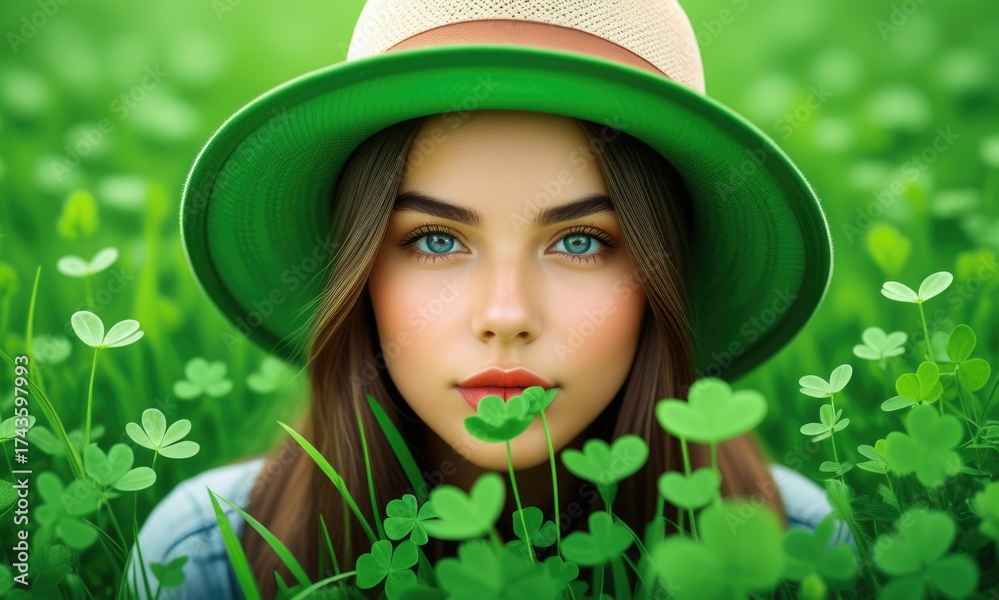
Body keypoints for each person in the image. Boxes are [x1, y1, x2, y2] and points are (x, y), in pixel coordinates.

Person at [128, 0, 847, 598]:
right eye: (437, 240)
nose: (506, 316)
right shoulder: (205, 558)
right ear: (358, 271)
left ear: (664, 279)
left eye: (581, 241)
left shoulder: (797, 543)